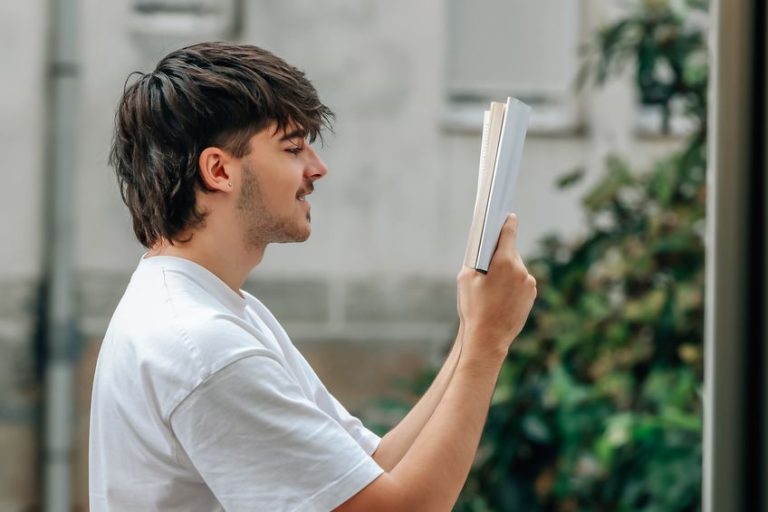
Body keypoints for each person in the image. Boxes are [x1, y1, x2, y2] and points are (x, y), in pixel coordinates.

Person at [88, 41, 537, 511]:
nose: (317, 169)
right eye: (293, 147)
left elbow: (373, 466)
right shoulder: (205, 347)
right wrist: (487, 344)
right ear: (219, 169)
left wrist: (473, 331)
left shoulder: (215, 311)